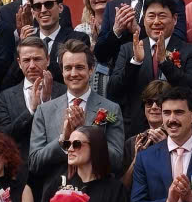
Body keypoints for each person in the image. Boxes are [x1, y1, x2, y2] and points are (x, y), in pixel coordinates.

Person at [27, 39, 131, 179]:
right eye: (68, 68)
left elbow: (117, 162)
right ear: (62, 71)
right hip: (56, 189)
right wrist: (63, 139)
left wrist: (86, 134)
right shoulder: (44, 111)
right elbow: (34, 163)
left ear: (91, 69)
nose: (74, 73)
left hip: (96, 187)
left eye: (80, 67)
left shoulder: (111, 109)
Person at [105, 0, 192, 118]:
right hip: (137, 124)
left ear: (175, 19)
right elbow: (113, 90)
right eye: (151, 16)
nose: (156, 22)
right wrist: (135, 62)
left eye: (162, 16)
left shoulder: (190, 51)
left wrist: (164, 63)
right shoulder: (128, 49)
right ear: (144, 20)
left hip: (174, 123)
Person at [0, 37, 56, 154]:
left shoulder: (63, 91)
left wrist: (47, 103)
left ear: (47, 60)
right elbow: (3, 136)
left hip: (55, 160)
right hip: (20, 161)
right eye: (26, 60)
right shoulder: (6, 97)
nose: (32, 65)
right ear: (19, 63)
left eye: (37, 59)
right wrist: (31, 110)